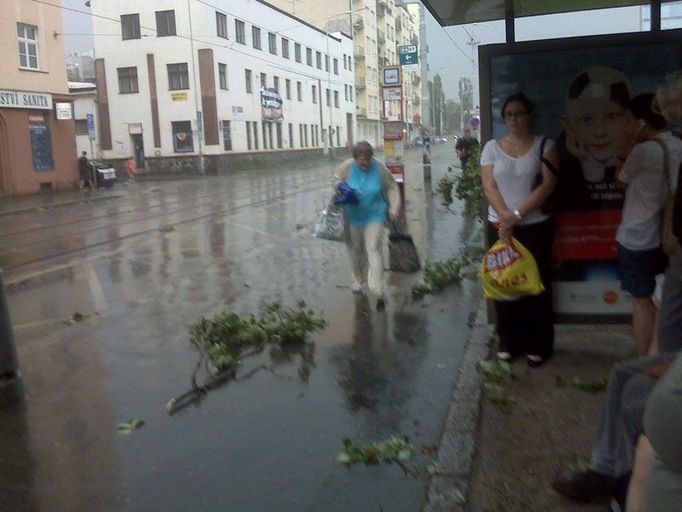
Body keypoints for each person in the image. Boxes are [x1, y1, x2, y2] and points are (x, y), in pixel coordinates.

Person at [480, 93, 559, 366]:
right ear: (504, 118)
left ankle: (539, 344)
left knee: (535, 286)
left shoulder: (544, 145)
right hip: (499, 227)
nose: (514, 119)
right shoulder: (491, 147)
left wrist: (516, 215)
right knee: (505, 284)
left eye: (519, 113)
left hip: (533, 226)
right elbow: (489, 185)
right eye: (509, 114)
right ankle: (508, 342)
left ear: (529, 115)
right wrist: (504, 217)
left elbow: (547, 185)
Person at [614, 93, 682, 355]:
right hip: (669, 238)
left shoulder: (642, 151)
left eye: (630, 120)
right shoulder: (678, 146)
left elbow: (619, 180)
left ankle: (646, 358)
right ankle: (662, 353)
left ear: (641, 122)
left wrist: (624, 144)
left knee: (642, 302)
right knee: (664, 301)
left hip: (637, 239)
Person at [333, 141, 400, 310]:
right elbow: (335, 181)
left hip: (375, 214)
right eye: (361, 160)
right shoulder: (347, 166)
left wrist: (393, 207)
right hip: (353, 216)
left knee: (373, 248)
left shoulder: (379, 167)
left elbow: (392, 187)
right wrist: (339, 186)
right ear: (355, 158)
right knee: (356, 250)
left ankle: (377, 288)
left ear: (371, 157)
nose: (364, 163)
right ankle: (358, 279)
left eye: (367, 159)